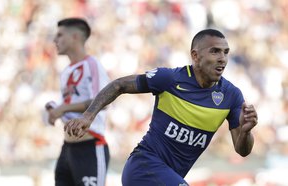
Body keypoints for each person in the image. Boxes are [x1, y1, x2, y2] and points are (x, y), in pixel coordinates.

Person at [65, 29, 258, 186]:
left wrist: (246, 131)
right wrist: (88, 116)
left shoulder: (231, 95)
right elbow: (119, 85)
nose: (222, 58)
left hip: (168, 178)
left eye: (225, 52)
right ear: (195, 56)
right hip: (143, 167)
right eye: (215, 51)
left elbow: (243, 151)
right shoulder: (169, 79)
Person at [45, 18, 110, 186]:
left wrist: (63, 109)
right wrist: (55, 110)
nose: (55, 40)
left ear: (75, 36)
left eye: (60, 35)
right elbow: (68, 105)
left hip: (90, 146)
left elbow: (103, 100)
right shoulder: (66, 71)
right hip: (67, 149)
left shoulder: (92, 64)